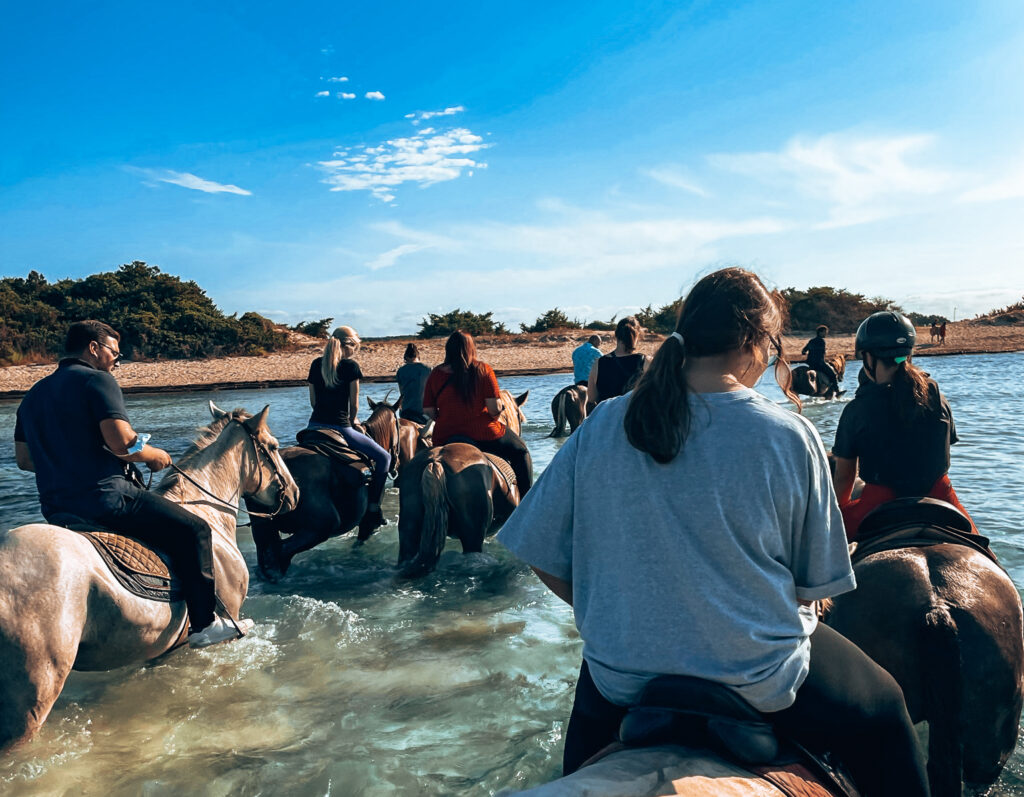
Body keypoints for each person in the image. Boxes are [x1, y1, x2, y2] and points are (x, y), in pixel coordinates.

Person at [498, 268, 929, 796]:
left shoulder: (604, 421)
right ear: (755, 342)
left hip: (622, 678)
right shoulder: (788, 433)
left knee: (577, 766)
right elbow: (815, 588)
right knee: (887, 711)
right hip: (760, 676)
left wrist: (609, 607)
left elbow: (538, 550)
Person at [13, 320, 250, 648]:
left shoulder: (32, 396)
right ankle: (205, 624)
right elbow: (123, 444)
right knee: (195, 530)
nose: (116, 360)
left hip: (57, 509)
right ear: (93, 348)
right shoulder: (98, 381)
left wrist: (69, 455)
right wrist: (153, 454)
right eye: (114, 352)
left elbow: (25, 460)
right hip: (107, 499)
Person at [832, 311, 974, 540]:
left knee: (825, 550)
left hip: (878, 501)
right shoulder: (938, 397)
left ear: (868, 358)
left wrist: (834, 519)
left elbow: (843, 479)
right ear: (908, 353)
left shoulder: (856, 410)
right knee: (984, 553)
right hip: (940, 495)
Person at [421, 330, 533, 493]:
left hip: (445, 435)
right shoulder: (483, 370)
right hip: (483, 434)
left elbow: (429, 411)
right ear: (471, 348)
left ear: (448, 349)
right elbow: (494, 410)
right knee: (521, 451)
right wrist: (499, 410)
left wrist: (448, 417)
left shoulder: (436, 374)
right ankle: (526, 502)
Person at [307, 326, 392, 529]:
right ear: (349, 345)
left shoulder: (315, 364)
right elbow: (354, 405)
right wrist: (353, 421)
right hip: (340, 427)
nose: (356, 351)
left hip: (314, 426)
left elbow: (313, 401)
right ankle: (373, 507)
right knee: (384, 458)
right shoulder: (350, 367)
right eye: (356, 346)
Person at [586, 317, 646, 408]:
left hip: (607, 419)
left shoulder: (599, 363)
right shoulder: (645, 361)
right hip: (634, 419)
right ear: (637, 335)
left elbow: (591, 398)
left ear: (616, 335)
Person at [801, 325, 843, 396]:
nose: (826, 334)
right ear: (820, 332)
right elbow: (822, 354)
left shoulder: (811, 341)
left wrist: (807, 352)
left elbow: (803, 351)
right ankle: (837, 391)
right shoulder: (821, 341)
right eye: (824, 332)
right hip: (819, 363)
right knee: (833, 375)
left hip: (811, 364)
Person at [395, 343, 432, 425]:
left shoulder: (400, 371)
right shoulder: (427, 369)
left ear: (406, 358)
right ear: (418, 356)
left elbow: (402, 394)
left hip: (406, 412)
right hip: (423, 413)